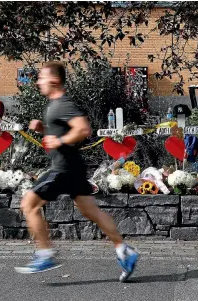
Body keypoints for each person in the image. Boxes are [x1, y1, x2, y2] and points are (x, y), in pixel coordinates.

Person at [14, 62, 139, 282]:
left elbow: (82, 129)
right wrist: (44, 129)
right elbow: (62, 133)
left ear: (54, 80)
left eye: (41, 78)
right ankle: (124, 250)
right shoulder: (54, 105)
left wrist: (59, 139)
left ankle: (45, 254)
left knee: (28, 204)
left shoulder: (62, 104)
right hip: (73, 168)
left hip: (63, 169)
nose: (37, 82)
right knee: (92, 212)